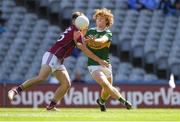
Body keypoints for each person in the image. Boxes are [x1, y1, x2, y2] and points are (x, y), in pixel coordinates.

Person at [8, 11, 109, 111]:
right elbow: (83, 49)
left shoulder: (75, 30)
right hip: (52, 55)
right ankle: (15, 90)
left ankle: (51, 106)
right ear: (75, 21)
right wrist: (99, 60)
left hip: (59, 60)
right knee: (41, 77)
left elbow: (81, 44)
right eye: (79, 20)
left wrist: (84, 37)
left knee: (66, 84)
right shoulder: (76, 31)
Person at [85, 8, 132, 112]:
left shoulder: (108, 33)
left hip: (106, 64)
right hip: (93, 65)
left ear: (107, 21)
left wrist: (95, 40)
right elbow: (83, 43)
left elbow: (103, 40)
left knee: (107, 89)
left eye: (101, 19)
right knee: (105, 84)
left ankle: (101, 102)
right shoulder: (90, 31)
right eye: (97, 19)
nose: (99, 21)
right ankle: (124, 101)